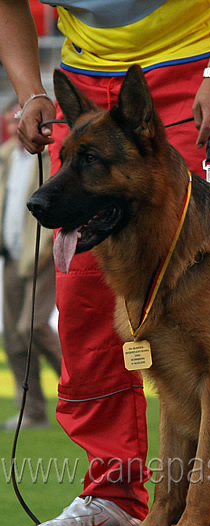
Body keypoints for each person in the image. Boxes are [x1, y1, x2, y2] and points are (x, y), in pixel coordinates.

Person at [0, 0, 210, 526]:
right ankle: (112, 495)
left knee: (206, 303)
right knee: (84, 305)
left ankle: (204, 508)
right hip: (84, 80)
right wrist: (30, 92)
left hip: (193, 70)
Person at [0, 98, 62, 430]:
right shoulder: (6, 156)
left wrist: (50, 245)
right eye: (11, 120)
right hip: (10, 255)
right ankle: (33, 412)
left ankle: (80, 392)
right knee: (13, 338)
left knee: (32, 327)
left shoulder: (52, 156)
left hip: (42, 254)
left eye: (18, 119)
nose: (14, 126)